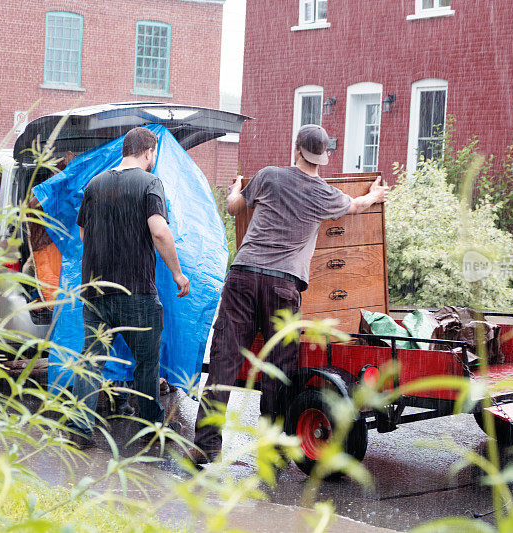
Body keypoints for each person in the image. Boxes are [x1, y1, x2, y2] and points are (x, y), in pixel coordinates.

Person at [189, 124, 388, 465]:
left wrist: (236, 188)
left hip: (242, 277)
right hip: (283, 285)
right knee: (277, 367)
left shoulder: (268, 176)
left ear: (296, 148)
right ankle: (270, 444)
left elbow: (234, 207)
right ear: (323, 156)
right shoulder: (323, 193)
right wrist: (375, 196)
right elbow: (355, 206)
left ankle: (206, 445)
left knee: (224, 362)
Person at [67, 127, 190, 448]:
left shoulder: (95, 184)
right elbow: (160, 232)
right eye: (154, 154)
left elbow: (83, 235)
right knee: (147, 365)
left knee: (90, 361)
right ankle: (151, 429)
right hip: (136, 292)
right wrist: (177, 273)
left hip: (95, 291)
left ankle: (79, 431)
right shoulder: (150, 183)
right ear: (149, 152)